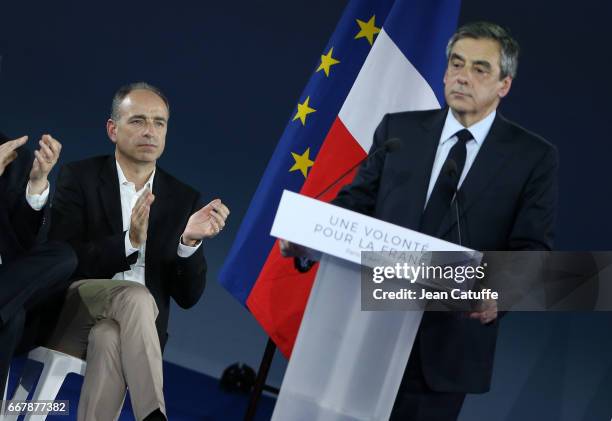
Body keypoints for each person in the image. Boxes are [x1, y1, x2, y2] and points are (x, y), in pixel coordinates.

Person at [281, 21, 558, 421]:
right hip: (363, 327)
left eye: (480, 69)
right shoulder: (400, 131)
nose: (463, 76)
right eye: (456, 64)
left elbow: (533, 247)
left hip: (444, 347)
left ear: (504, 84)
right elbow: (355, 205)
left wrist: (499, 293)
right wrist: (309, 239)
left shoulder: (532, 157)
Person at [47, 82, 230, 421]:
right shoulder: (80, 176)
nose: (150, 131)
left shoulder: (181, 198)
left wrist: (188, 243)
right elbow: (62, 258)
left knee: (109, 338)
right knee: (135, 296)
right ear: (112, 129)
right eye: (138, 121)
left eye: (159, 122)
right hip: (75, 310)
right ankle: (154, 416)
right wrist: (129, 241)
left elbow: (188, 298)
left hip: (135, 331)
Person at [0, 132, 77, 397]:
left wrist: (36, 183)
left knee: (63, 255)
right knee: (11, 318)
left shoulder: (11, 152)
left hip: (6, 280)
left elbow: (27, 243)